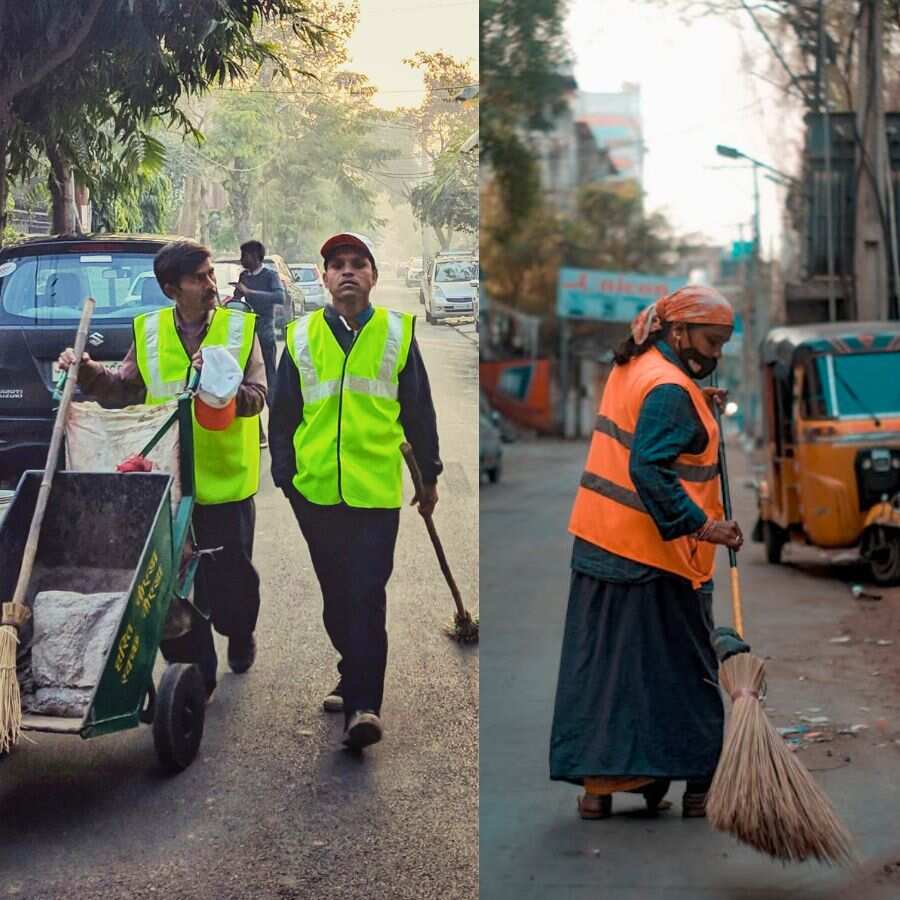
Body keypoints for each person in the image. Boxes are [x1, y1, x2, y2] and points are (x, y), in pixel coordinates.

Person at [549, 285, 748, 820]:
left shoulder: (638, 368)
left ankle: (600, 787)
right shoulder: (669, 390)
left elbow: (651, 427)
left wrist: (698, 403)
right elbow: (648, 468)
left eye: (723, 344)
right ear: (679, 332)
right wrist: (705, 526)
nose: (716, 354)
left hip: (599, 543)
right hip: (653, 558)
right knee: (687, 672)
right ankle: (700, 784)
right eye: (711, 341)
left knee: (605, 674)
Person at [57, 240, 266, 699]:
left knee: (231, 578)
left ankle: (239, 630)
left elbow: (258, 394)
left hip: (225, 479)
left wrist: (223, 386)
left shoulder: (238, 328)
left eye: (212, 275)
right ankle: (193, 677)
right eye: (200, 278)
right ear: (173, 288)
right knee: (172, 584)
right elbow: (123, 390)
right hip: (167, 483)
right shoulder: (148, 332)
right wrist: (88, 372)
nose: (212, 285)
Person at [269, 232, 442, 751]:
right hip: (315, 492)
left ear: (373, 276)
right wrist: (285, 475)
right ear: (324, 278)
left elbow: (419, 410)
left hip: (373, 495)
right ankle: (352, 671)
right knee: (336, 597)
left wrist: (428, 477)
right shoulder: (299, 338)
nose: (347, 272)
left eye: (357, 264)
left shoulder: (396, 333)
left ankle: (365, 705)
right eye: (337, 265)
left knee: (366, 594)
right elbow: (283, 416)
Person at [234, 239, 285, 448]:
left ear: (256, 257)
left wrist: (250, 293)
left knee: (270, 382)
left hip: (264, 335)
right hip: (246, 335)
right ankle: (259, 434)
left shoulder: (270, 276)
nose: (242, 259)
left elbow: (280, 297)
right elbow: (239, 298)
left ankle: (277, 432)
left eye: (245, 255)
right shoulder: (243, 276)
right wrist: (236, 295)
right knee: (246, 383)